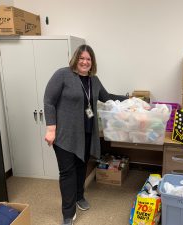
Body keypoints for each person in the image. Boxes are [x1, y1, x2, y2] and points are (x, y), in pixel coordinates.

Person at [43, 44, 127, 225]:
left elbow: (107, 96)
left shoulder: (94, 80)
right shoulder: (63, 75)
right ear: (76, 59)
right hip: (65, 135)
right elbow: (49, 101)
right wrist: (51, 128)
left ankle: (79, 196)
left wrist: (129, 98)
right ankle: (68, 213)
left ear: (92, 62)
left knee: (81, 168)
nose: (85, 62)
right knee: (67, 173)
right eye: (82, 58)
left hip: (87, 134)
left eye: (88, 59)